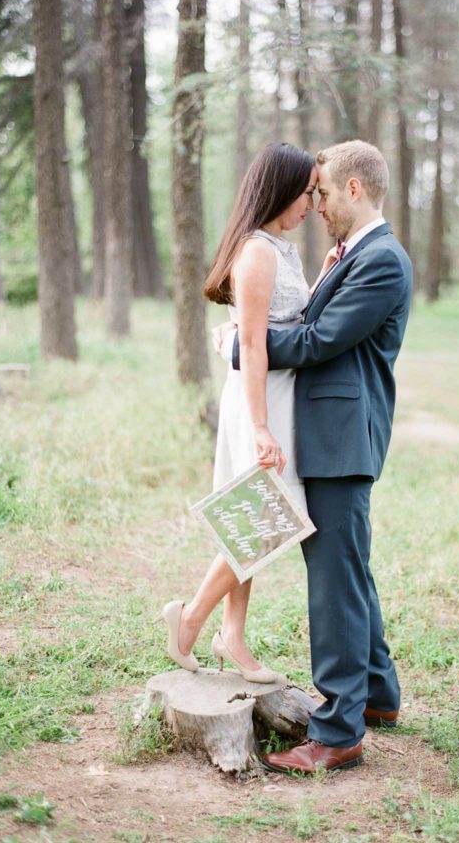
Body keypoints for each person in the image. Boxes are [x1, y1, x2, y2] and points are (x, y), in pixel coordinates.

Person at [229, 140, 413, 773]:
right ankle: (379, 696)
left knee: (333, 583)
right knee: (351, 570)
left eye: (326, 193)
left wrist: (242, 348)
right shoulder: (357, 254)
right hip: (334, 433)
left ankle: (338, 732)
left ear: (354, 191)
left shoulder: (383, 261)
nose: (318, 204)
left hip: (341, 438)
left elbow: (319, 339)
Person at [157, 143, 317, 684]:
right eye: (306, 192)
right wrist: (261, 427)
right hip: (257, 398)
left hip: (275, 395)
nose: (312, 203)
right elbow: (252, 345)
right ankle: (191, 621)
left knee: (250, 518)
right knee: (263, 518)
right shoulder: (256, 251)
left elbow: (286, 321)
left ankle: (233, 637)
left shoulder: (279, 248)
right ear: (280, 190)